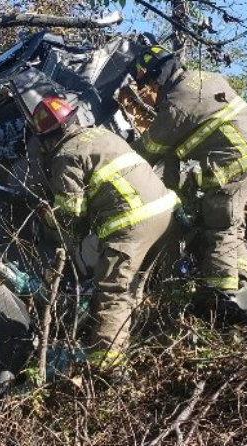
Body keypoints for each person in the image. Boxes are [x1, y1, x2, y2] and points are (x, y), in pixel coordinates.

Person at [28, 96, 178, 368]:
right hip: (165, 210)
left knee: (111, 292)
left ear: (47, 139)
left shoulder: (65, 157)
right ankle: (149, 338)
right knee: (135, 286)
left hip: (134, 224)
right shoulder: (101, 134)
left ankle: (107, 368)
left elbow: (71, 213)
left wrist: (48, 222)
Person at [129, 45, 247, 312]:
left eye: (148, 85)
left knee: (220, 226)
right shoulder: (205, 76)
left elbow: (149, 150)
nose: (147, 93)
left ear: (157, 77)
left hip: (235, 161)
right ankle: (239, 281)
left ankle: (220, 298)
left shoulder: (176, 104)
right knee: (236, 223)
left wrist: (121, 160)